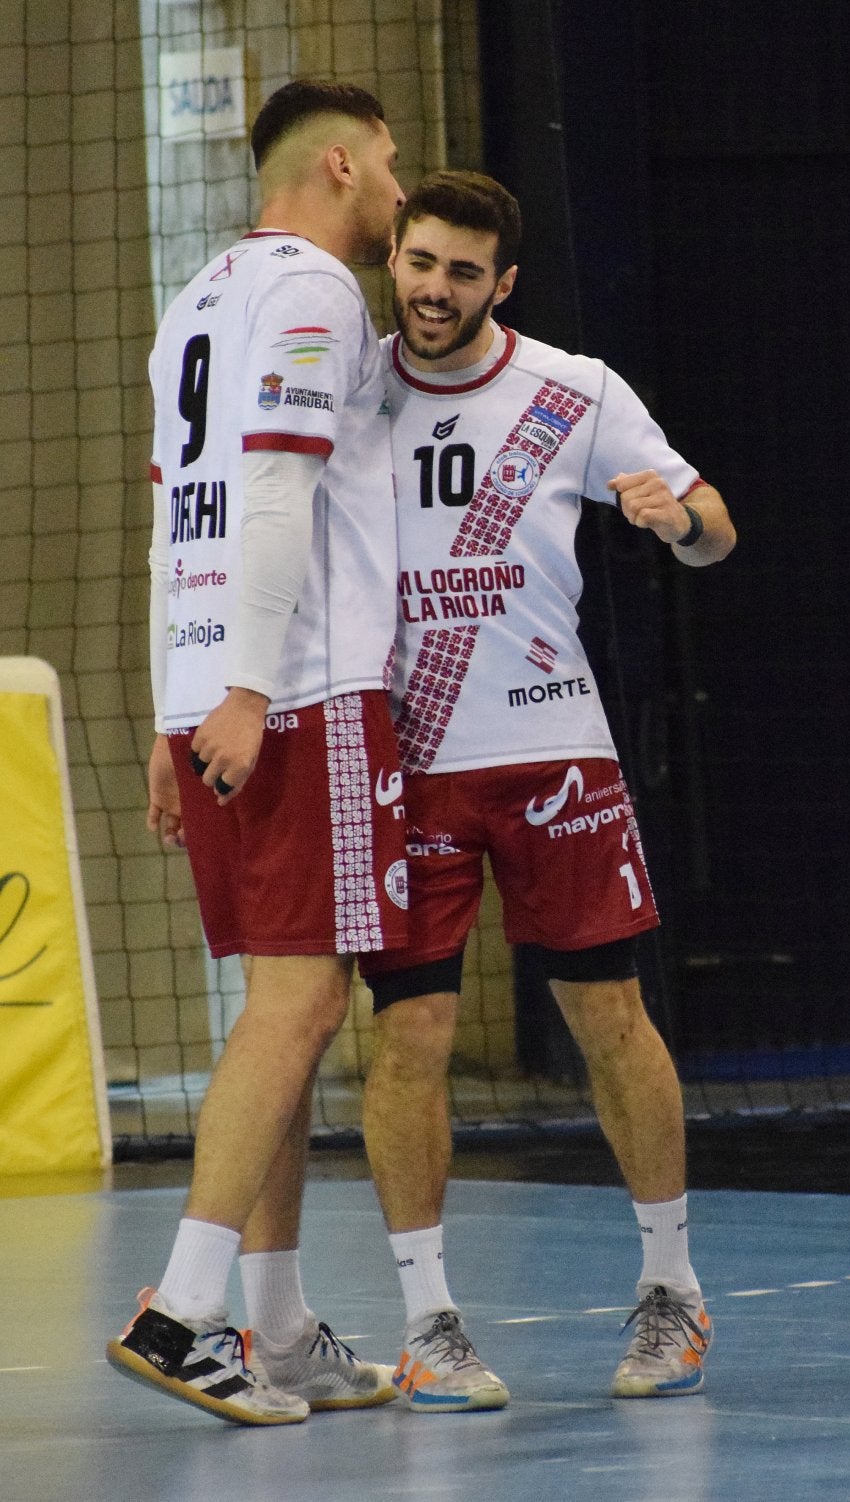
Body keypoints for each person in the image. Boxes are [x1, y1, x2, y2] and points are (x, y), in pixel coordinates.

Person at [357, 170, 736, 1408]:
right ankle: (428, 1321)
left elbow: (716, 526)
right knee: (411, 1034)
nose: (435, 290)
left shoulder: (575, 389)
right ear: (395, 256)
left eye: (464, 272)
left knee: (609, 1016)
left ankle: (673, 1290)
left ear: (503, 282)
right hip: (405, 762)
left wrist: (675, 519)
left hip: (552, 749)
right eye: (421, 262)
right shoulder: (348, 386)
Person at [106, 80, 409, 1424]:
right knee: (301, 1006)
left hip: (212, 692)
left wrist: (172, 712)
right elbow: (277, 486)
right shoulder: (318, 290)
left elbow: (171, 524)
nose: (399, 190)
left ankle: (277, 1330)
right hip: (295, 688)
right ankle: (181, 1311)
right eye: (389, 164)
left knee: (280, 1015)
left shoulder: (195, 300)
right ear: (338, 165)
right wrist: (243, 688)